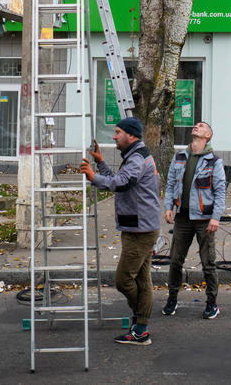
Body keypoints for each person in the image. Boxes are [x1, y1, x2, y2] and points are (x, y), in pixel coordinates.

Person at [80, 117, 161, 345]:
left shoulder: (137, 158)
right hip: (140, 226)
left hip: (140, 230)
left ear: (131, 135)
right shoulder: (136, 155)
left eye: (117, 132)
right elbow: (121, 179)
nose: (114, 136)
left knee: (123, 280)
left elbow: (122, 183)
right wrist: (101, 163)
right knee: (143, 281)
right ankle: (140, 328)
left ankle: (141, 324)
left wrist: (94, 177)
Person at [161, 121, 227, 320]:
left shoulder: (214, 161)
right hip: (182, 217)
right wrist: (168, 207)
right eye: (197, 124)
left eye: (202, 126)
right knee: (175, 261)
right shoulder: (180, 156)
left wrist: (215, 218)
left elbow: (220, 192)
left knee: (208, 263)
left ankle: (211, 303)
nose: (197, 125)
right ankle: (172, 299)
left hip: (204, 220)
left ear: (208, 136)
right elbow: (171, 183)